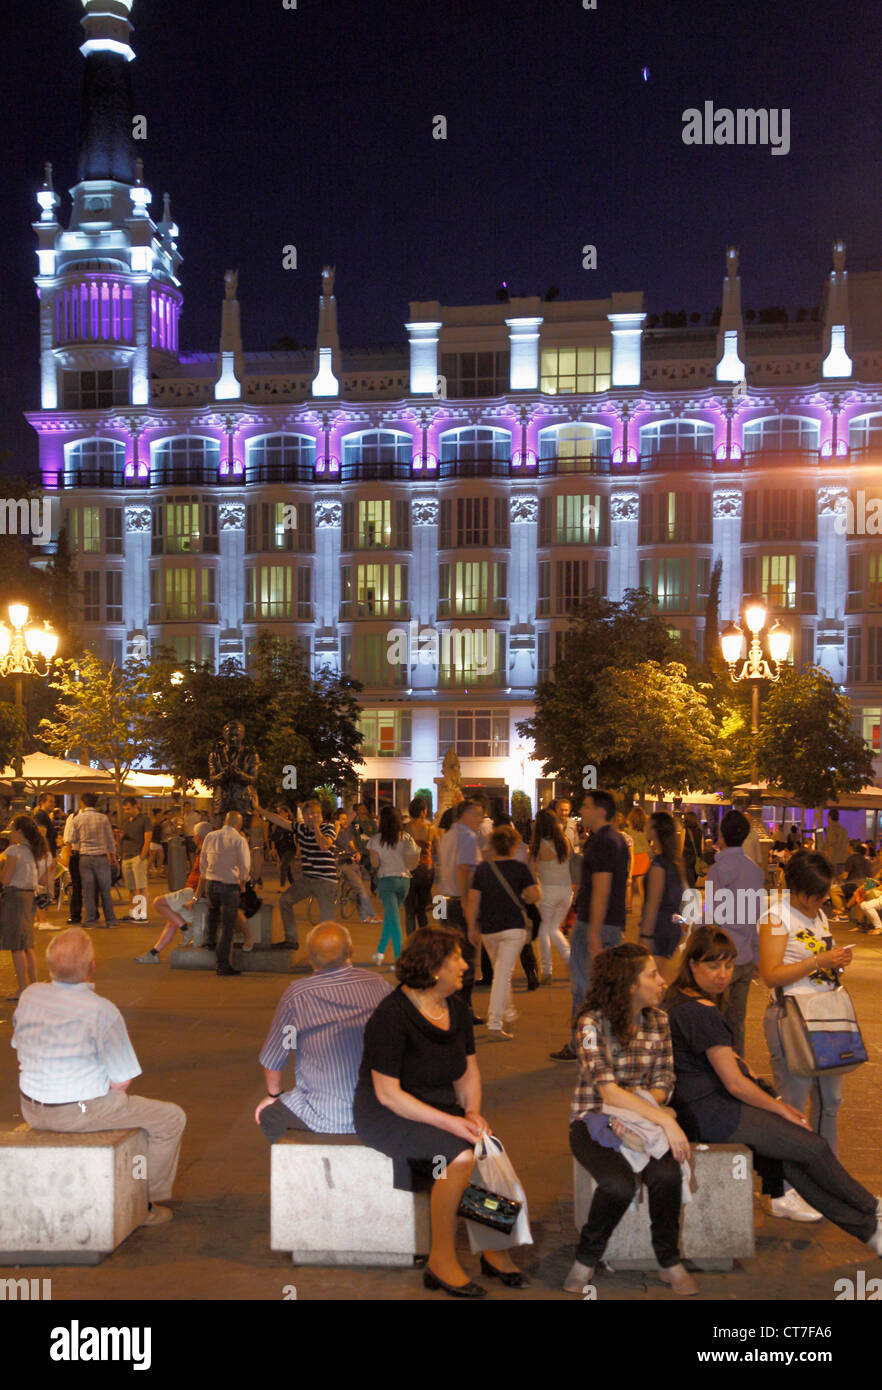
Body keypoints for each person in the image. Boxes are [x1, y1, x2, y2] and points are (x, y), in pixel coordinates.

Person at [666, 926, 882, 1254]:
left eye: (728, 965)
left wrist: (773, 1096)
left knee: (791, 1161)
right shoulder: (699, 1012)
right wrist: (781, 1107)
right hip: (711, 1112)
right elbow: (735, 1082)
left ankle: (871, 1231)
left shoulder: (684, 999)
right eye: (713, 966)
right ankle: (872, 1208)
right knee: (812, 1147)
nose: (722, 975)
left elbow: (736, 1064)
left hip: (704, 1104)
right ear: (692, 964)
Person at [353, 926, 528, 1297]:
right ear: (433, 967)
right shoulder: (392, 1016)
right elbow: (388, 1094)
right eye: (457, 958)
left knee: (486, 1146)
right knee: (461, 1155)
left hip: (436, 1107)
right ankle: (441, 1259)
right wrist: (453, 1122)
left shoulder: (458, 1010)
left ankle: (494, 1248)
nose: (466, 964)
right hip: (388, 1114)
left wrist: (474, 1112)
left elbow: (467, 1073)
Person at [13, 927, 186, 1225]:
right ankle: (144, 1201)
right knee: (169, 1118)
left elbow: (19, 1044)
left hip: (31, 1107)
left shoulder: (30, 995)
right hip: (78, 1111)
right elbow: (122, 1080)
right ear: (92, 968)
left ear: (49, 965)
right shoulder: (101, 1010)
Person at [566, 944, 697, 1296]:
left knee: (668, 1174)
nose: (662, 980)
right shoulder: (590, 1022)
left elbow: (664, 1082)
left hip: (642, 1125)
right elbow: (606, 1092)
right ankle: (586, 1258)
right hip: (592, 1121)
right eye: (653, 975)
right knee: (617, 1184)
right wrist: (664, 1121)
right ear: (628, 984)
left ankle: (668, 1261)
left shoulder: (660, 1020)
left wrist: (638, 1111)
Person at [759, 850, 854, 1212]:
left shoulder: (820, 916)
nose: (819, 901)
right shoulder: (776, 917)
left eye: (823, 894)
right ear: (794, 888)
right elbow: (769, 974)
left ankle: (828, 1178)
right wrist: (819, 961)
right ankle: (784, 1189)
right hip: (793, 1018)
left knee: (831, 1102)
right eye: (813, 895)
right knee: (793, 1107)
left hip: (827, 1016)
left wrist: (835, 964)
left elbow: (818, 965)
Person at [255, 922, 392, 1139]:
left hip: (322, 1115)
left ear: (309, 958)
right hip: (378, 1111)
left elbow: (275, 1058)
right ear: (352, 950)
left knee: (269, 1116)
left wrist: (274, 1095)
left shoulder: (297, 996)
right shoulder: (379, 985)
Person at [551, 790, 630, 1062]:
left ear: (599, 810)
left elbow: (601, 887)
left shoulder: (604, 842)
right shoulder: (615, 840)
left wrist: (593, 929)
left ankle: (583, 1045)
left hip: (596, 924)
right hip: (609, 922)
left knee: (585, 987)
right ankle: (604, 1042)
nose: (580, 811)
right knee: (602, 986)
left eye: (585, 806)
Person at [466, 824, 541, 1039]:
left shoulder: (482, 869)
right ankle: (495, 1024)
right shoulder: (520, 869)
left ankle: (507, 1012)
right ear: (512, 846)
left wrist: (472, 926)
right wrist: (525, 897)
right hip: (513, 927)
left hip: (488, 928)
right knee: (502, 973)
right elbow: (534, 895)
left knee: (501, 971)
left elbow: (473, 899)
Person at [702, 809, 766, 1058]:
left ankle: (719, 1071)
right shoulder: (755, 871)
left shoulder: (718, 871)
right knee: (737, 1022)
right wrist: (758, 956)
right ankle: (737, 1067)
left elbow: (711, 916)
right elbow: (757, 917)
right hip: (746, 956)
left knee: (715, 1021)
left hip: (721, 959)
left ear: (721, 834)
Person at [135, 822, 211, 963]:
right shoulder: (205, 850)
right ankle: (154, 953)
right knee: (172, 920)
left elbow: (203, 877)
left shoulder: (205, 851)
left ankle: (185, 929)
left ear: (197, 837)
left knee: (159, 903)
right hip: (193, 891)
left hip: (193, 891)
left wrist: (194, 899)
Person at [436, 799, 484, 1018]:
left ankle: (452, 1005)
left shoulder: (446, 837)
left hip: (443, 899)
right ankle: (462, 1010)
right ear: (464, 815)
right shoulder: (468, 837)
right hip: (459, 901)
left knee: (449, 954)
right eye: (477, 814)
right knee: (465, 958)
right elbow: (464, 870)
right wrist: (468, 907)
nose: (481, 819)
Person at [272, 800, 338, 944]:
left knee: (327, 920)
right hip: (307, 879)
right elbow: (280, 820)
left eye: (312, 814)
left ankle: (331, 951)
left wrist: (316, 828)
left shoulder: (328, 827)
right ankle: (291, 939)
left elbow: (324, 845)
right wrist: (258, 809)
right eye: (306, 814)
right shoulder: (302, 829)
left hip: (325, 881)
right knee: (285, 900)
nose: (308, 817)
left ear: (319, 815)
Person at [0, 817, 52, 1001]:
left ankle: (23, 988)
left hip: (14, 898)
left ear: (19, 831)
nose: (10, 834)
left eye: (12, 830)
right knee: (27, 945)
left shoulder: (14, 851)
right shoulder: (39, 852)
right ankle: (34, 983)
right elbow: (43, 880)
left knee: (16, 946)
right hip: (30, 898)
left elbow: (5, 880)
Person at [199, 810, 250, 976]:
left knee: (212, 913)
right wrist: (243, 881)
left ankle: (209, 941)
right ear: (239, 824)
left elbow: (203, 861)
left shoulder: (210, 836)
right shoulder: (239, 840)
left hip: (211, 883)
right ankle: (223, 964)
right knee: (228, 925)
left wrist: (206, 877)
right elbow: (245, 865)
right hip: (229, 884)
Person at [368, 806, 420, 967]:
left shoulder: (376, 840)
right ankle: (380, 951)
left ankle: (399, 958)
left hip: (386, 882)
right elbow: (413, 859)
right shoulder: (406, 837)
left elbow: (374, 863)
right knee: (392, 918)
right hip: (404, 882)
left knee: (394, 919)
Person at [638, 811, 688, 979]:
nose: (645, 827)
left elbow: (653, 904)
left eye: (648, 825)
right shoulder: (674, 862)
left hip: (659, 928)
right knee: (660, 978)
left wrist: (645, 935)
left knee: (654, 981)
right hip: (671, 924)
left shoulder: (659, 866)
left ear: (655, 830)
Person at [529, 807, 572, 984]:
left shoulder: (538, 845)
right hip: (566, 891)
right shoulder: (564, 841)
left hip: (547, 892)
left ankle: (547, 970)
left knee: (544, 931)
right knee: (553, 929)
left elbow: (530, 871)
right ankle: (571, 964)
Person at [71, 793, 119, 928]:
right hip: (101, 857)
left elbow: (73, 839)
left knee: (88, 890)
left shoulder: (77, 819)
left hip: (85, 857)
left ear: (82, 803)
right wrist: (113, 855)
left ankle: (90, 920)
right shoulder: (103, 818)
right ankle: (111, 920)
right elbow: (110, 839)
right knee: (105, 889)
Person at [335, 810, 380, 924]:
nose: (345, 821)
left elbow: (351, 844)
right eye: (342, 819)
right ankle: (371, 915)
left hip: (352, 861)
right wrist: (336, 827)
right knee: (360, 888)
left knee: (359, 890)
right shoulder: (333, 831)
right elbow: (332, 841)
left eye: (346, 819)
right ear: (336, 820)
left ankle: (363, 916)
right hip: (342, 863)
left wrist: (356, 852)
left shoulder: (347, 831)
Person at [403, 797, 438, 934]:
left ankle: (411, 942)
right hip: (426, 871)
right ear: (423, 812)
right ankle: (425, 940)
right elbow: (437, 850)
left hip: (409, 870)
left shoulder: (405, 829)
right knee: (421, 910)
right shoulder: (430, 829)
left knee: (410, 911)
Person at [118, 797, 153, 922]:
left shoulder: (144, 819)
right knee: (131, 887)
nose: (127, 811)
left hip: (138, 856)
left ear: (136, 806)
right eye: (125, 809)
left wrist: (142, 856)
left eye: (128, 808)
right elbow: (121, 838)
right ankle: (132, 912)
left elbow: (148, 838)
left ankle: (142, 914)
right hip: (126, 856)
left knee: (141, 886)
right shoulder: (125, 821)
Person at [626, 806, 652, 915]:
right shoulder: (646, 828)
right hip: (644, 856)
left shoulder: (627, 829)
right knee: (642, 885)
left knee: (628, 883)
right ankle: (644, 907)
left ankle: (628, 907)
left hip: (631, 856)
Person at [269, 802, 297, 887]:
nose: (280, 814)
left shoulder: (291, 824)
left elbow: (296, 837)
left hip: (290, 848)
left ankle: (282, 886)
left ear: (287, 813)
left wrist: (299, 849)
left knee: (283, 866)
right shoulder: (277, 825)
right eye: (279, 813)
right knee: (286, 868)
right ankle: (294, 885)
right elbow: (273, 838)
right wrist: (273, 849)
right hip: (280, 848)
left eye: (282, 812)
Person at [681, 811, 703, 890]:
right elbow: (702, 846)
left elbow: (681, 845)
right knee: (692, 882)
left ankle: (691, 900)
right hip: (697, 860)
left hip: (687, 860)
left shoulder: (685, 830)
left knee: (688, 884)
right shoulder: (699, 831)